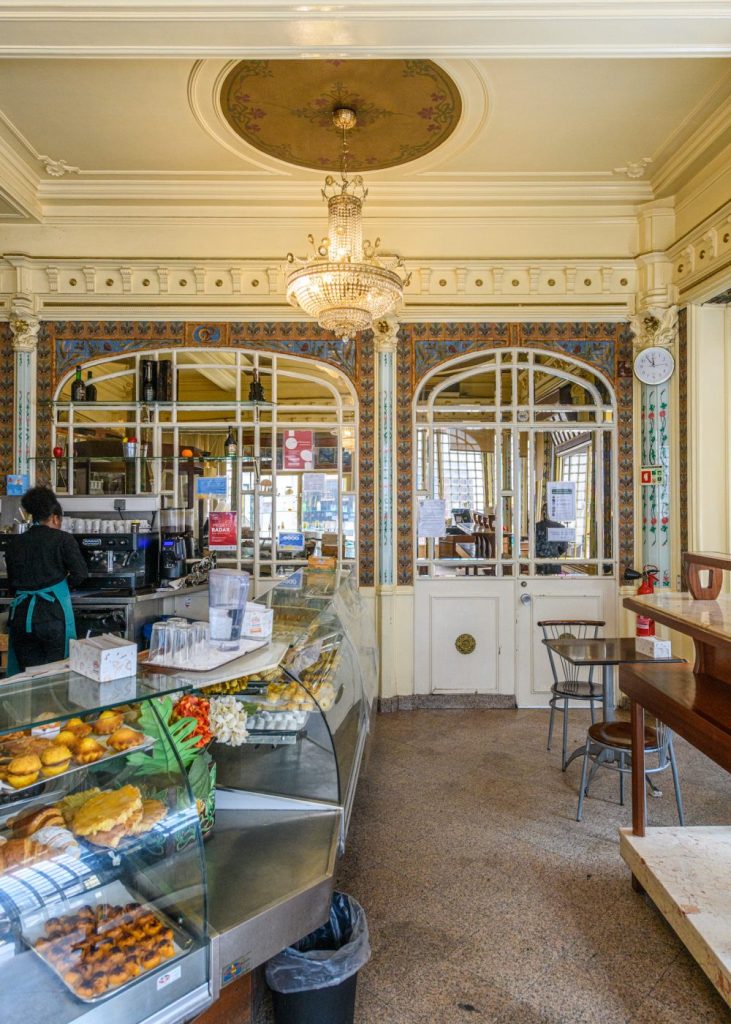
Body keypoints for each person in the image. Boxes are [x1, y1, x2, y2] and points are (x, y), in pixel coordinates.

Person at [5, 486, 88, 674]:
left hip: (21, 617)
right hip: (52, 617)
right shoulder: (63, 539)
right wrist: (62, 586)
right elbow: (80, 573)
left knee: (27, 676)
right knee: (55, 676)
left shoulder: (15, 543)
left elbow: (12, 584)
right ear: (55, 517)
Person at [535, 504, 569, 576]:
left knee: (538, 585)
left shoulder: (536, 526)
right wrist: (554, 552)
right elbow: (564, 548)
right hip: (554, 563)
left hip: (538, 563)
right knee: (553, 585)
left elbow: (532, 546)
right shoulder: (561, 527)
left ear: (543, 513)